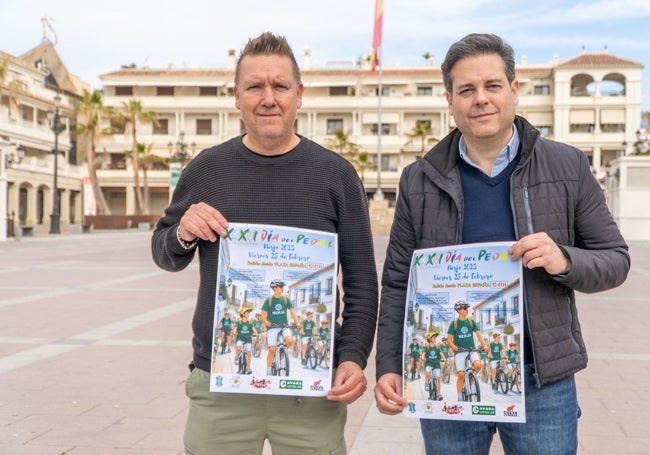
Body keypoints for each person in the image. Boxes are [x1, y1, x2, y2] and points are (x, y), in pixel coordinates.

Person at [374, 33, 630, 454]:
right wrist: (389, 364)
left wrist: (562, 258)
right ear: (449, 100)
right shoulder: (418, 179)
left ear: (513, 91)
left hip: (540, 378)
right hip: (448, 391)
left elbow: (615, 260)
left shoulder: (568, 165)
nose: (481, 99)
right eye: (467, 90)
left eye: (492, 86)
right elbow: (399, 281)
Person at [151, 32, 378, 455]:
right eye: (255, 86)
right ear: (237, 97)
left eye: (280, 86)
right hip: (220, 390)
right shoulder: (206, 169)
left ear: (299, 95)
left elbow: (363, 283)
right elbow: (164, 250)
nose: (268, 97)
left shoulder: (337, 175)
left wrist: (352, 357)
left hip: (311, 390)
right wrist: (183, 230)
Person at [445, 300, 489, 401]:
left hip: (471, 350)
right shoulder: (454, 323)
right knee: (461, 374)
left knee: (478, 365)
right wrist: (453, 346)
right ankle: (460, 395)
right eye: (465, 308)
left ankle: (470, 380)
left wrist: (485, 345)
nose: (467, 310)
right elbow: (449, 339)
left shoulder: (470, 321)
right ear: (459, 310)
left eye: (467, 308)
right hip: (459, 351)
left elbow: (478, 335)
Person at [261, 279, 301, 374]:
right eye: (280, 286)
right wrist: (266, 321)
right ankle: (269, 370)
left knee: (290, 341)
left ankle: (282, 353)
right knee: (272, 350)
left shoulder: (285, 299)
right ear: (275, 288)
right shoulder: (269, 300)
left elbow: (292, 312)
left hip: (284, 326)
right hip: (272, 327)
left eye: (282, 287)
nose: (282, 288)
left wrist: (297, 322)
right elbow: (262, 315)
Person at [422, 332, 446, 400]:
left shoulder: (437, 347)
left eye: (435, 337)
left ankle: (439, 394)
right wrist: (423, 357)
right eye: (434, 337)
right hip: (429, 363)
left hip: (436, 363)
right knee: (428, 372)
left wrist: (445, 359)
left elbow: (441, 353)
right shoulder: (426, 347)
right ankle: (426, 382)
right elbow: (423, 353)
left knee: (438, 378)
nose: (435, 339)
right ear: (430, 339)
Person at [233, 308, 257, 374]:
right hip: (240, 337)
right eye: (247, 313)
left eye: (248, 313)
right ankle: (237, 357)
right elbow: (235, 328)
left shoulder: (250, 322)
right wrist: (234, 332)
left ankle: (248, 368)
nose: (248, 314)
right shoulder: (239, 322)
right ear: (243, 314)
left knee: (249, 353)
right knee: (238, 347)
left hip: (248, 338)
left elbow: (253, 329)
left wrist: (256, 333)